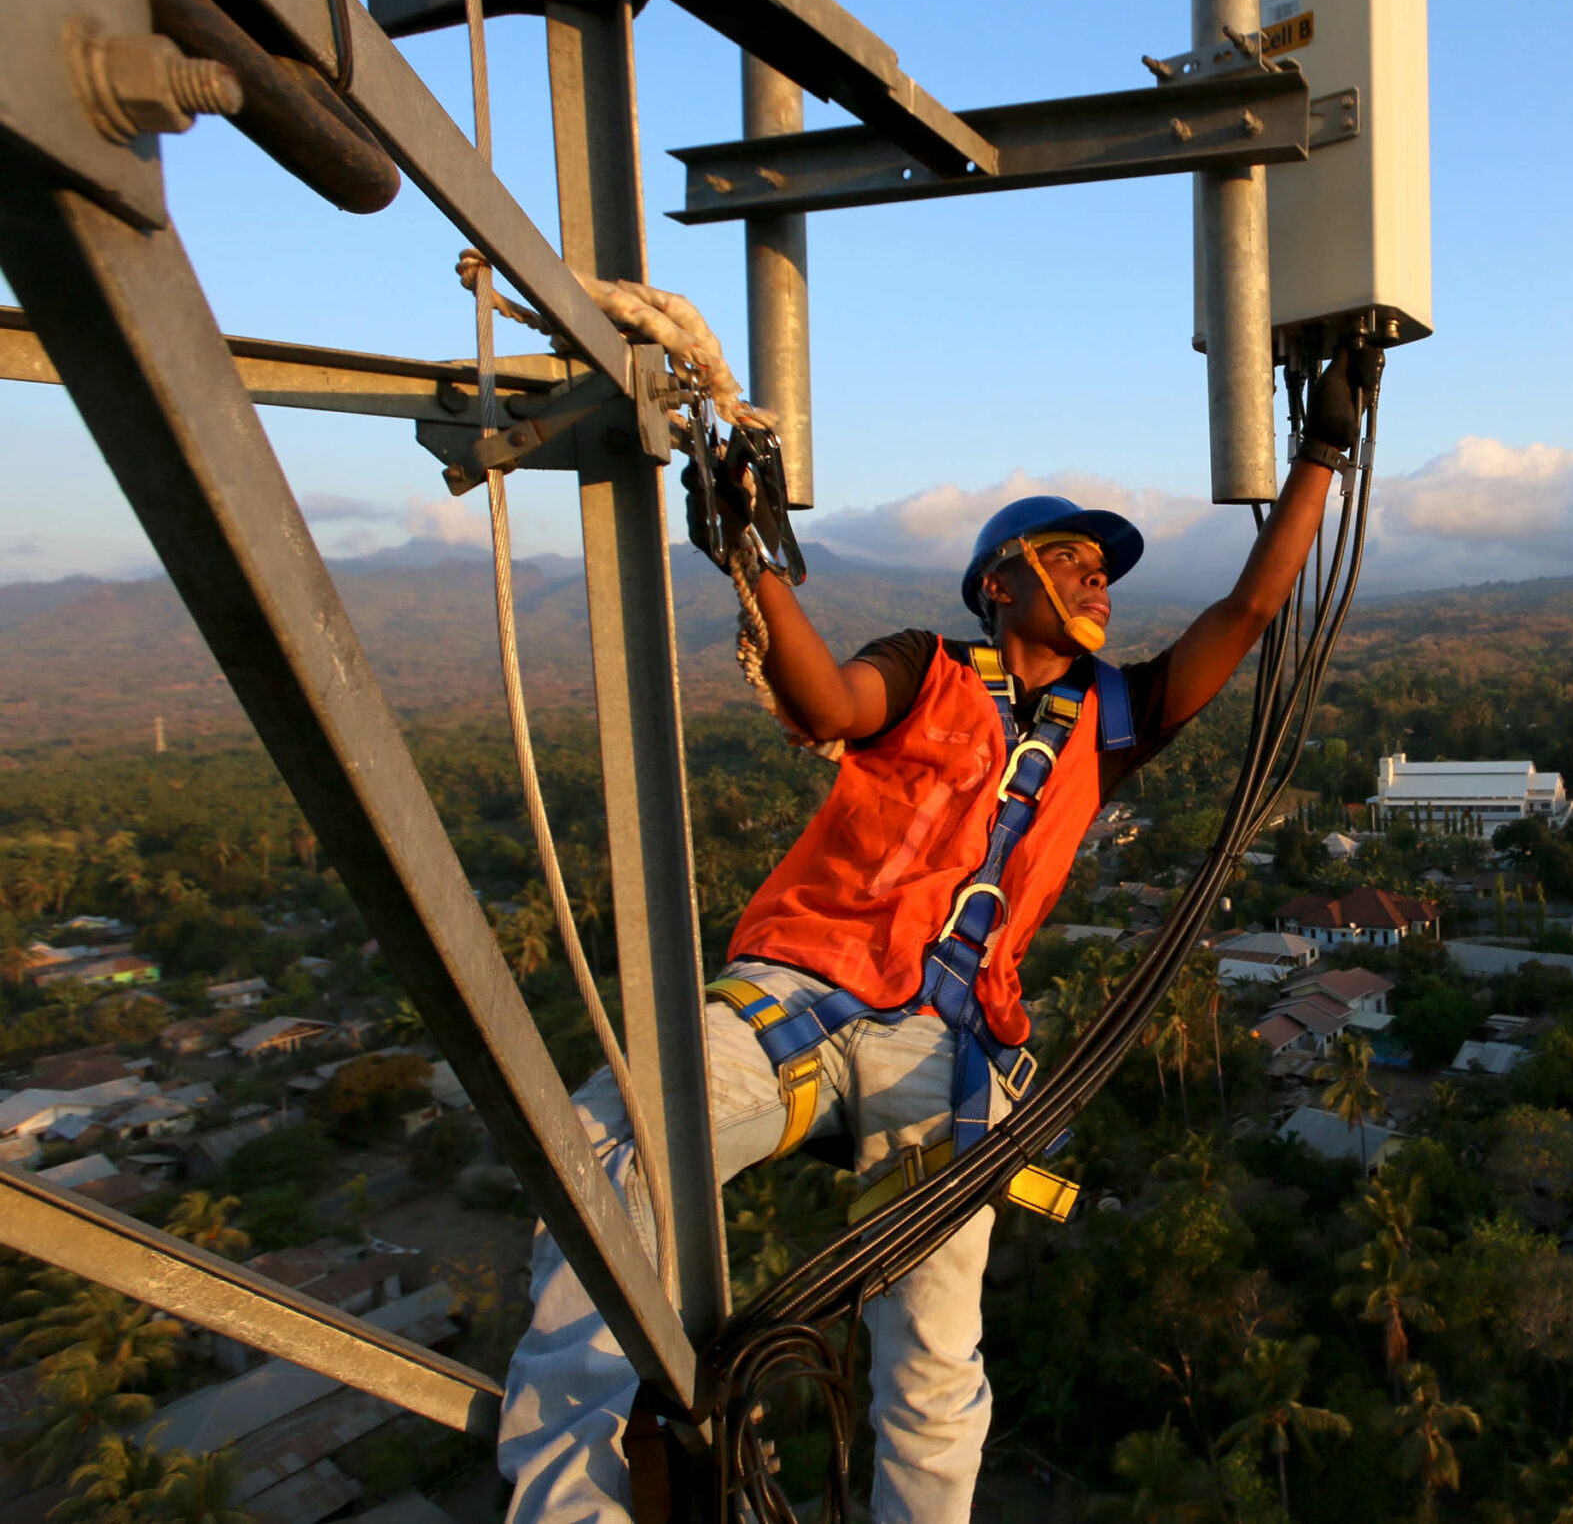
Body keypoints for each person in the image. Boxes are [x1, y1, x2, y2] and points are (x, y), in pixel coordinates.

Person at [498, 345, 1375, 1524]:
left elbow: (1252, 605)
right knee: (614, 1150)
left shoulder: (1113, 720)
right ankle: (567, 1508)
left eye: (1102, 568)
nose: (1095, 579)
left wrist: (1321, 449)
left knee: (934, 1345)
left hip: (944, 1042)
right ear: (996, 586)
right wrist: (756, 566)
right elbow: (825, 705)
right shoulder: (924, 670)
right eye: (1065, 560)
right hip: (803, 989)